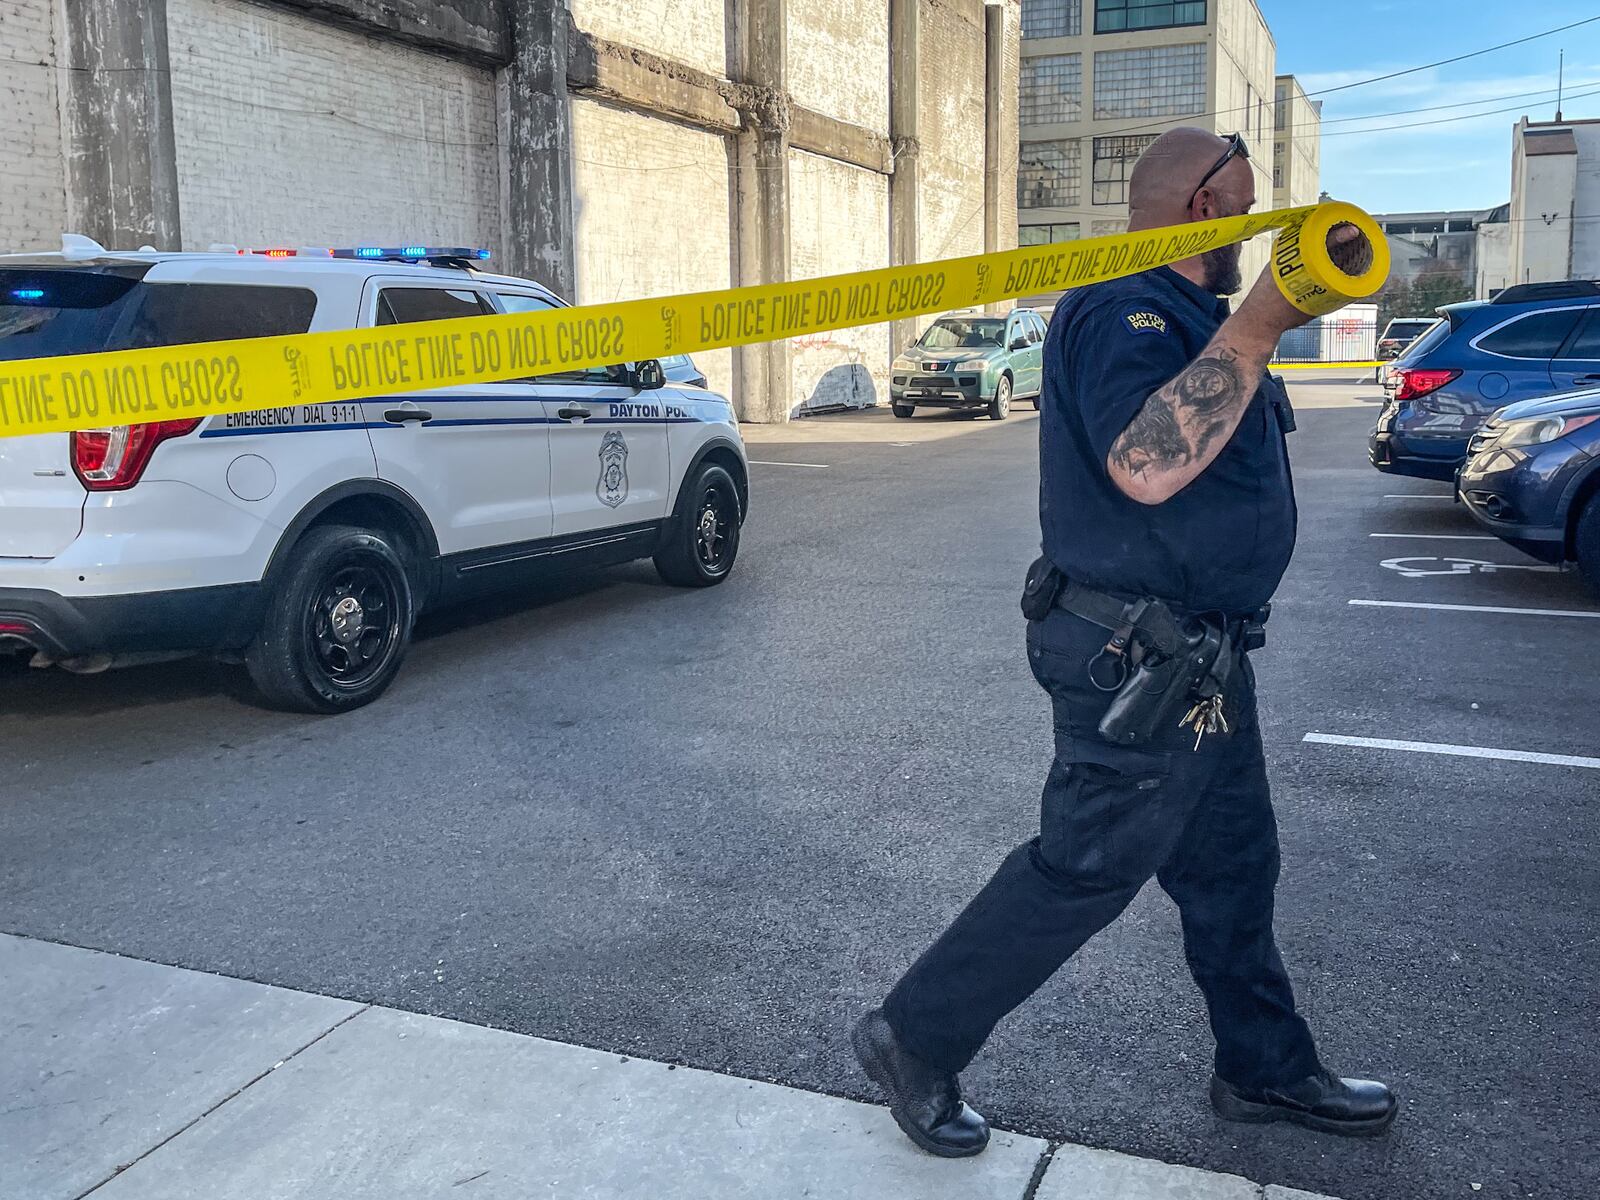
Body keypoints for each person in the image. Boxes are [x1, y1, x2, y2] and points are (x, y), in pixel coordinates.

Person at [852, 127, 1398, 1158]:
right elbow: (1147, 464)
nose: (1261, 225)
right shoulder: (1123, 309)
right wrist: (1260, 326)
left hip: (1202, 659)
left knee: (1235, 866)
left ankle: (1263, 1071)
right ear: (1202, 207)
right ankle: (911, 1037)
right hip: (1133, 656)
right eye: (1244, 202)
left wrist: (1248, 328)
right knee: (1085, 866)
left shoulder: (1198, 315)